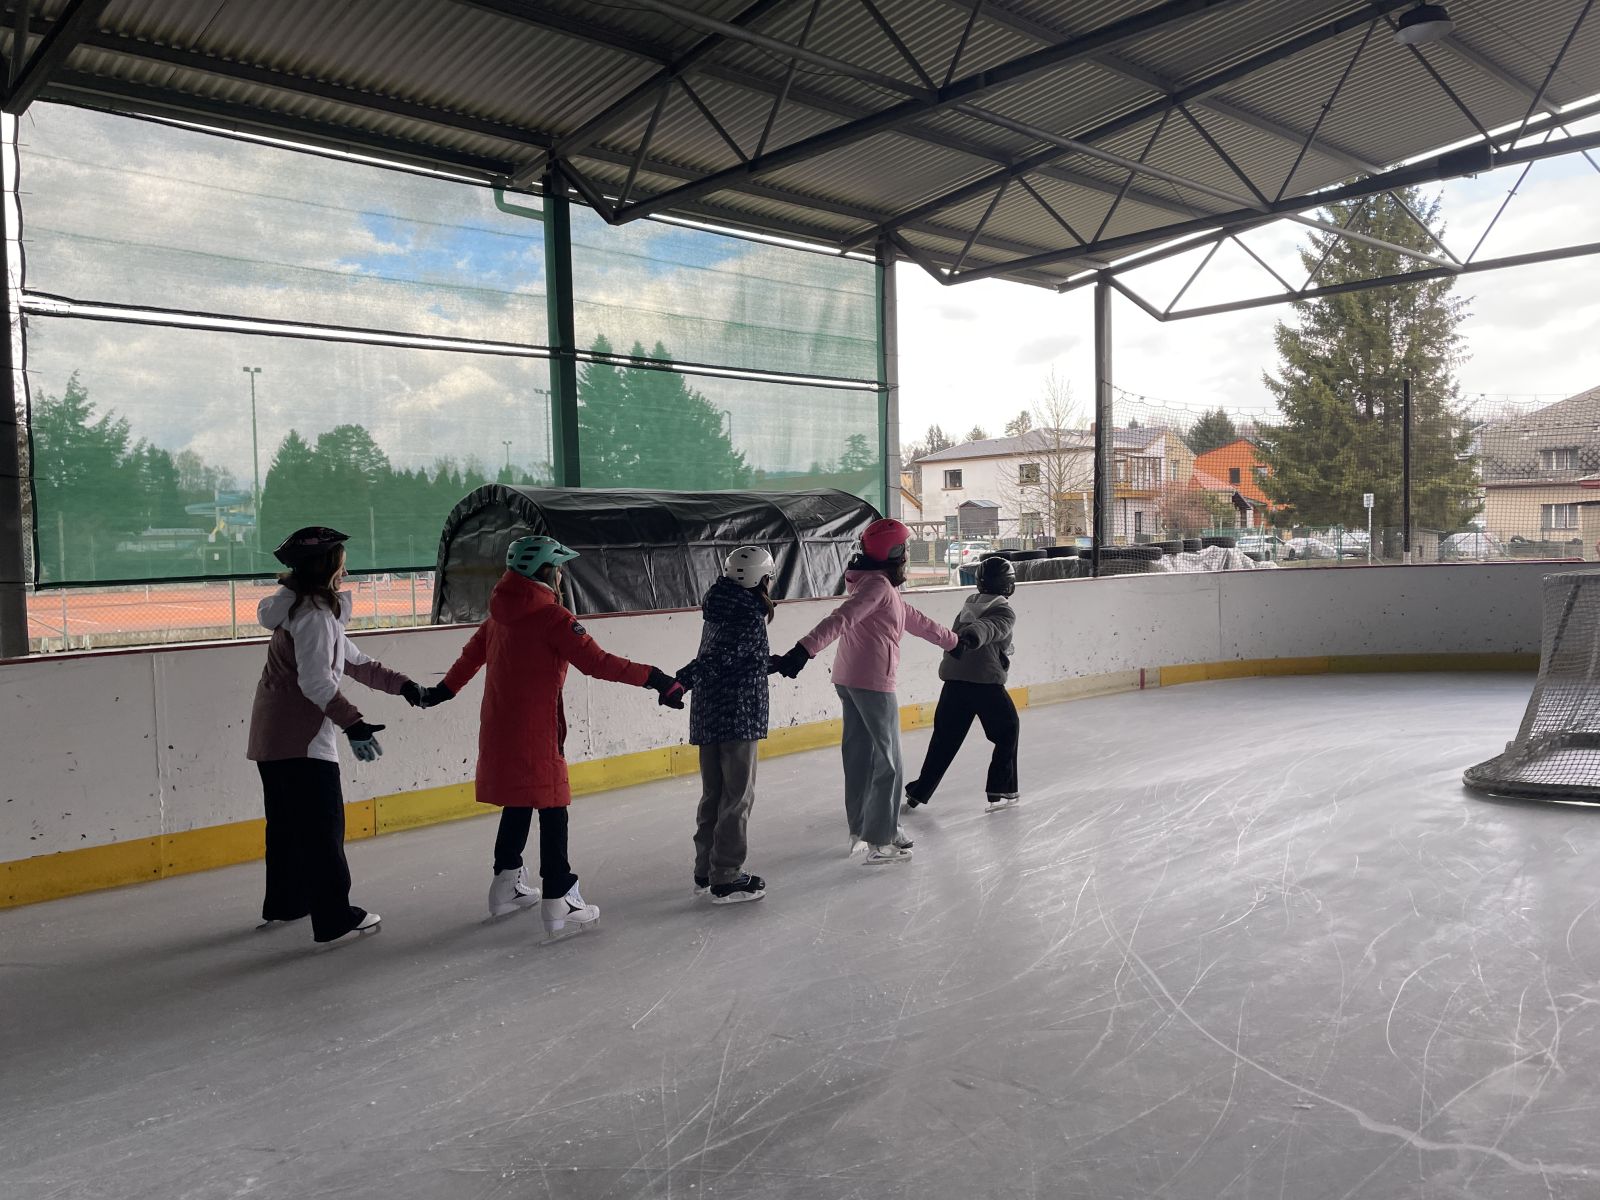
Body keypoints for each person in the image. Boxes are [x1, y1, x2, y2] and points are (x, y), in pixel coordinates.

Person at [420, 535, 684, 933]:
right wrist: (656, 678)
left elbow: (471, 657)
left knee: (519, 797)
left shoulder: (499, 615)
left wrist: (441, 692)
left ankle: (506, 885)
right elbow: (597, 663)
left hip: (499, 724)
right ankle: (559, 895)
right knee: (552, 803)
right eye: (558, 569)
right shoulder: (552, 618)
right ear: (545, 571)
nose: (561, 576)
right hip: (536, 728)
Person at [247, 526, 425, 945]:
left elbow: (354, 661)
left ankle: (287, 902)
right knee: (322, 830)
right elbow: (316, 682)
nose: (345, 571)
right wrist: (353, 723)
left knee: (287, 828)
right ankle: (334, 918)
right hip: (302, 740)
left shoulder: (300, 609)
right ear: (326, 566)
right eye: (341, 563)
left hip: (272, 737)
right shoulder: (314, 617)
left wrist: (406, 687)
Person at [772, 518, 956, 864]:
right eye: (904, 549)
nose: (907, 556)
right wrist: (804, 650)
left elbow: (913, 618)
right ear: (894, 552)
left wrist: (953, 642)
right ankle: (880, 841)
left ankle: (863, 829)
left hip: (850, 679)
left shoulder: (875, 585)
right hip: (872, 681)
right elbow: (841, 618)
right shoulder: (878, 587)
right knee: (889, 762)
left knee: (859, 757)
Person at [675, 546, 778, 905]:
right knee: (737, 798)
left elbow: (730, 655)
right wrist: (681, 681)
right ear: (760, 579)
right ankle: (727, 875)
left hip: (710, 713)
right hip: (739, 715)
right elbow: (721, 659)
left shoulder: (722, 603)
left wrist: (770, 662)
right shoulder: (747, 613)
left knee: (714, 795)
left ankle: (705, 870)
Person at [904, 555, 1021, 812]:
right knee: (1008, 730)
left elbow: (985, 629)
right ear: (1008, 584)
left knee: (944, 740)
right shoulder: (1004, 609)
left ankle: (918, 792)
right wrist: (971, 637)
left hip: (954, 682)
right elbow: (990, 626)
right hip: (984, 683)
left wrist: (969, 639)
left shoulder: (969, 605)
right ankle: (1001, 788)